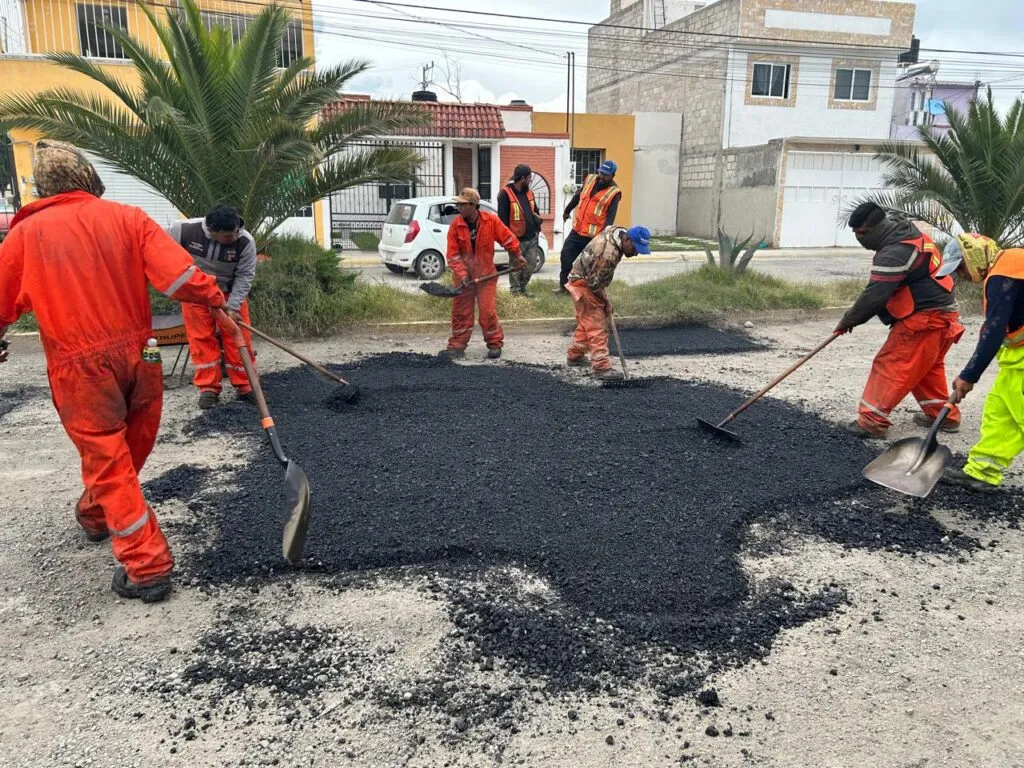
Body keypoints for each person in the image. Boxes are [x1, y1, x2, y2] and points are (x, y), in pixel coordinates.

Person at [0, 142, 226, 602]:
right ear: (89, 180)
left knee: (109, 457)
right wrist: (216, 300)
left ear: (43, 189)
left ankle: (144, 564)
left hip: (80, 366)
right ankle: (103, 519)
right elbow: (180, 277)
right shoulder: (128, 219)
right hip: (142, 354)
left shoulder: (27, 235)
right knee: (131, 444)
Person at [836, 202, 964, 438]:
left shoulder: (895, 252)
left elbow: (875, 295)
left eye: (862, 234)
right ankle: (943, 416)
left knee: (892, 364)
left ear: (877, 227)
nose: (859, 239)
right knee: (926, 368)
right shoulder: (909, 234)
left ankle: (871, 422)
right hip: (943, 314)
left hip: (926, 319)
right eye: (854, 234)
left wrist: (848, 321)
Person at [939, 234, 1024, 491]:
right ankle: (983, 470)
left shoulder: (1004, 274)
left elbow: (994, 330)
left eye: (961, 267)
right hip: (1017, 359)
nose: (961, 276)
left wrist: (968, 375)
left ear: (973, 256)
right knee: (1000, 411)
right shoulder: (1010, 263)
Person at [168, 205, 258, 409]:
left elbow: (245, 276)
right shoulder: (182, 231)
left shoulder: (245, 241)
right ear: (211, 230)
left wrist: (233, 307)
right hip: (196, 295)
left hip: (229, 293)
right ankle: (208, 388)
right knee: (201, 340)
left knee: (239, 338)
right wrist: (179, 287)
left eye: (235, 232)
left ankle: (245, 385)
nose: (233, 237)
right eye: (227, 236)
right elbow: (165, 257)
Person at [440, 188, 526, 360]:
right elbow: (453, 255)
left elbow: (507, 238)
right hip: (463, 279)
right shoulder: (455, 226)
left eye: (462, 205)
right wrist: (463, 275)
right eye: (458, 204)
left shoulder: (490, 221)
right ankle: (457, 346)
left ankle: (495, 343)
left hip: (486, 275)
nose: (458, 207)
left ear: (473, 206)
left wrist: (517, 255)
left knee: (487, 312)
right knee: (461, 313)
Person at [566, 225, 650, 380]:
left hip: (587, 277)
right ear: (627, 239)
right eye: (636, 248)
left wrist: (605, 300)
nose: (636, 253)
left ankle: (575, 356)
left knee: (588, 322)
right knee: (597, 323)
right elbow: (594, 284)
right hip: (583, 283)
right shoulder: (608, 254)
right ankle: (601, 367)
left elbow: (598, 279)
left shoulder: (617, 233)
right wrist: (606, 302)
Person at [556, 160, 623, 294]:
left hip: (593, 237)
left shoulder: (614, 193)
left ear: (612, 176)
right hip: (578, 230)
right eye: (600, 173)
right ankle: (564, 288)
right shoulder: (590, 179)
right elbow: (578, 196)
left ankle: (583, 291)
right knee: (566, 256)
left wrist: (603, 238)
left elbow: (610, 218)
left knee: (589, 265)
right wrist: (567, 211)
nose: (601, 177)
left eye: (605, 175)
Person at [496, 164, 544, 297]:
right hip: (516, 239)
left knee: (531, 265)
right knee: (516, 267)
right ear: (522, 178)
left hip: (532, 237)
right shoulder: (505, 194)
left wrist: (538, 229)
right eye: (529, 178)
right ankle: (516, 291)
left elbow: (535, 211)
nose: (530, 181)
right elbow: (502, 221)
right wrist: (508, 241)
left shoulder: (529, 192)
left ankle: (523, 288)